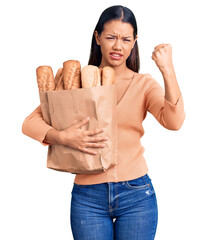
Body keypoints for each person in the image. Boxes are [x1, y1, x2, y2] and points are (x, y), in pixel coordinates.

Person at [22, 5, 186, 240]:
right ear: (97, 37)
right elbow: (29, 123)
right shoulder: (78, 82)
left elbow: (174, 121)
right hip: (88, 197)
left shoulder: (144, 84)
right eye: (110, 37)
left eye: (126, 39)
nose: (118, 46)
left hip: (137, 194)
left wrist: (167, 70)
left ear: (134, 42)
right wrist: (63, 137)